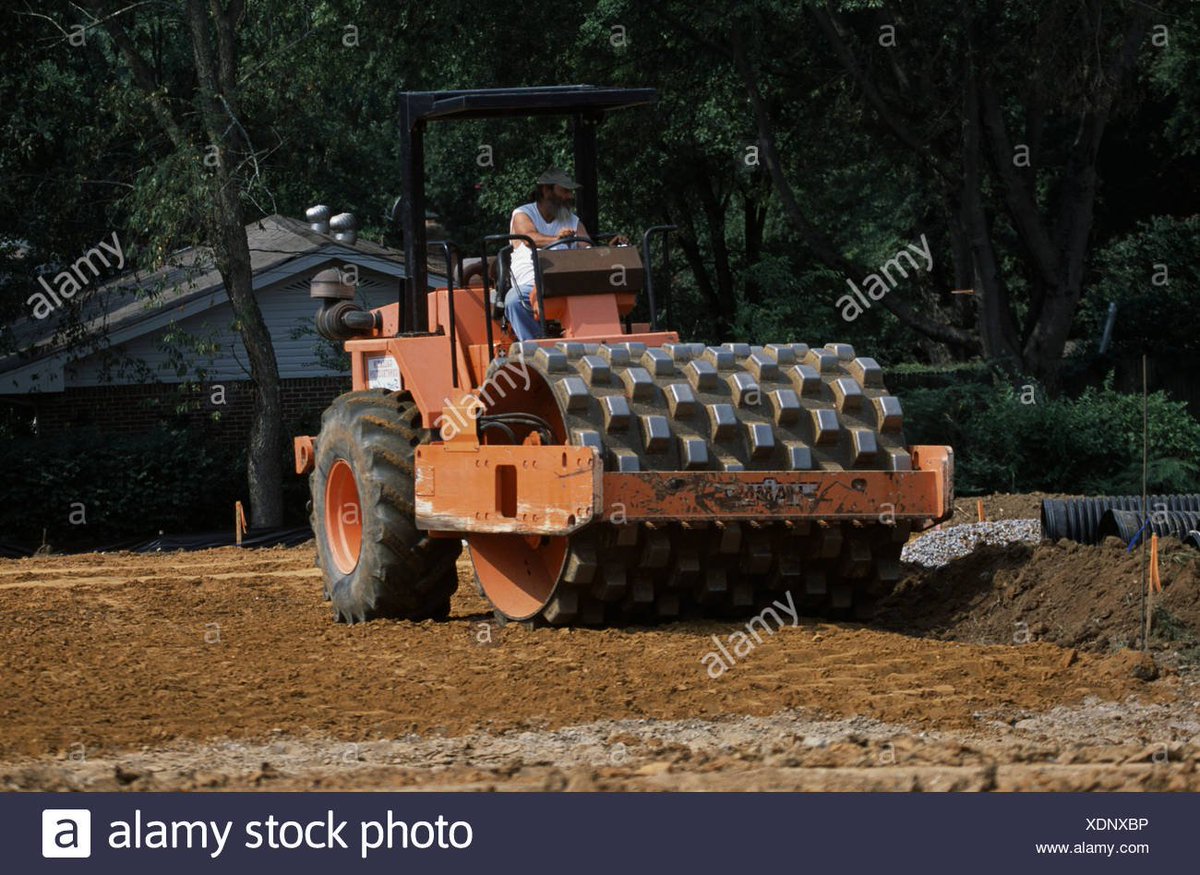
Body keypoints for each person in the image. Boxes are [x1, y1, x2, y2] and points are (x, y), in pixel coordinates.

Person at [505, 167, 627, 341]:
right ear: (546, 190)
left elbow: (588, 250)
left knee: (601, 293)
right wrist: (557, 239)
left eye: (570, 192)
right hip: (531, 283)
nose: (570, 196)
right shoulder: (523, 213)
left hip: (568, 282)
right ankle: (535, 347)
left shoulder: (572, 220)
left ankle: (599, 342)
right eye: (565, 191)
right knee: (514, 301)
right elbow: (529, 238)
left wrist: (610, 250)